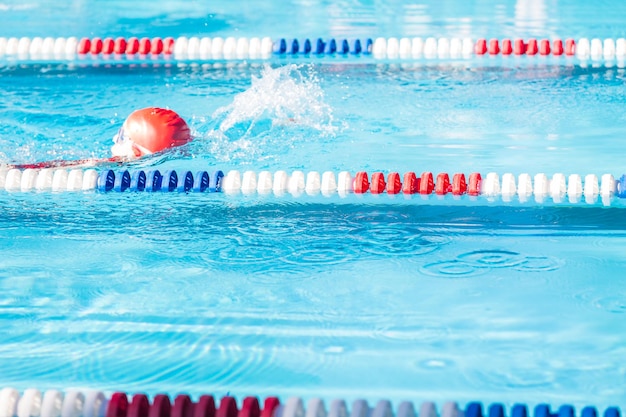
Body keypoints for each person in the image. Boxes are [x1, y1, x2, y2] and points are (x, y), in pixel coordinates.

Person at [11, 107, 192, 169]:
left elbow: (75, 164)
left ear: (135, 152)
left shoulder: (119, 163)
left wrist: (14, 168)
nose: (115, 138)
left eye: (122, 136)